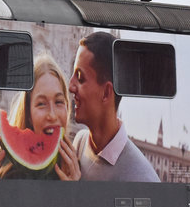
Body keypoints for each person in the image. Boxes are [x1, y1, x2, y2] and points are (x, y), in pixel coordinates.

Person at [68, 31, 160, 182]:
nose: (71, 86)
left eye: (80, 78)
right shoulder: (79, 142)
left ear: (106, 93)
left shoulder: (143, 180)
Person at [0, 54, 79, 180]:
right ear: (28, 112)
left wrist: (74, 194)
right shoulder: (9, 174)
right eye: (41, 104)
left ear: (67, 107)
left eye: (59, 101)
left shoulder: (76, 169)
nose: (52, 115)